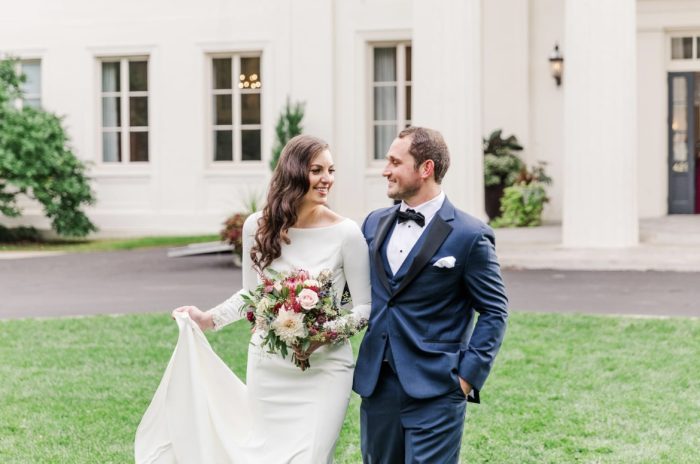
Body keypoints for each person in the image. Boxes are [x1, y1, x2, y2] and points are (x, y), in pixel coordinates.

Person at [135, 135, 371, 463]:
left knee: (310, 457)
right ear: (294, 173)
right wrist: (209, 319)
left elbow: (364, 308)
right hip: (269, 366)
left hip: (326, 368)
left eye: (331, 170)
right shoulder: (256, 227)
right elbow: (252, 294)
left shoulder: (347, 233)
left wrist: (324, 335)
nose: (327, 178)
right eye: (317, 170)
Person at [353, 126, 508, 463]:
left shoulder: (470, 235)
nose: (385, 170)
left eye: (395, 161)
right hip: (378, 387)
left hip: (437, 388)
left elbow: (495, 311)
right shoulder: (372, 224)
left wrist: (466, 379)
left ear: (426, 169)